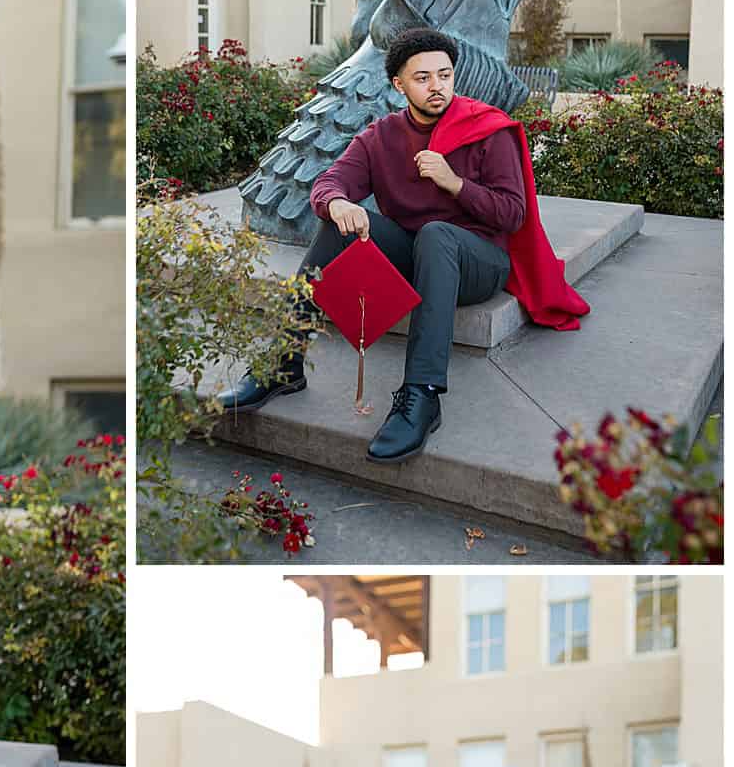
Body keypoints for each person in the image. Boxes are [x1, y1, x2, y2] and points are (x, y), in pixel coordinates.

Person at [217, 26, 585, 462]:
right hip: (417, 254)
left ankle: (422, 395)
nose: (437, 87)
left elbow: (512, 214)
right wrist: (337, 204)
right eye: (423, 78)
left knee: (436, 234)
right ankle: (284, 363)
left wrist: (454, 183)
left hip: (477, 262)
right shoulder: (382, 136)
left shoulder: (486, 130)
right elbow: (329, 182)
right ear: (399, 84)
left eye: (444, 76)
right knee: (339, 225)